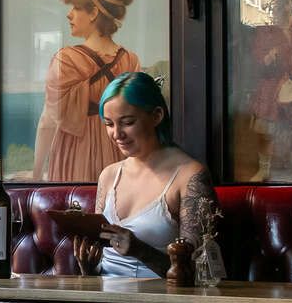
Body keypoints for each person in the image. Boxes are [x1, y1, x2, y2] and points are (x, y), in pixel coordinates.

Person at [92, 71, 217, 280]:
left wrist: (141, 250)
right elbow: (99, 253)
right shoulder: (108, 175)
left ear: (157, 116)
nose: (117, 134)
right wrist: (88, 265)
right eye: (109, 124)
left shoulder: (190, 176)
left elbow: (199, 273)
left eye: (127, 122)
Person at [32, 0, 144, 182]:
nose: (69, 15)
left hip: (76, 153)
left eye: (75, 8)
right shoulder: (131, 60)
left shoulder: (66, 59)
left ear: (93, 12)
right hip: (119, 154)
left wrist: (37, 172)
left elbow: (48, 121)